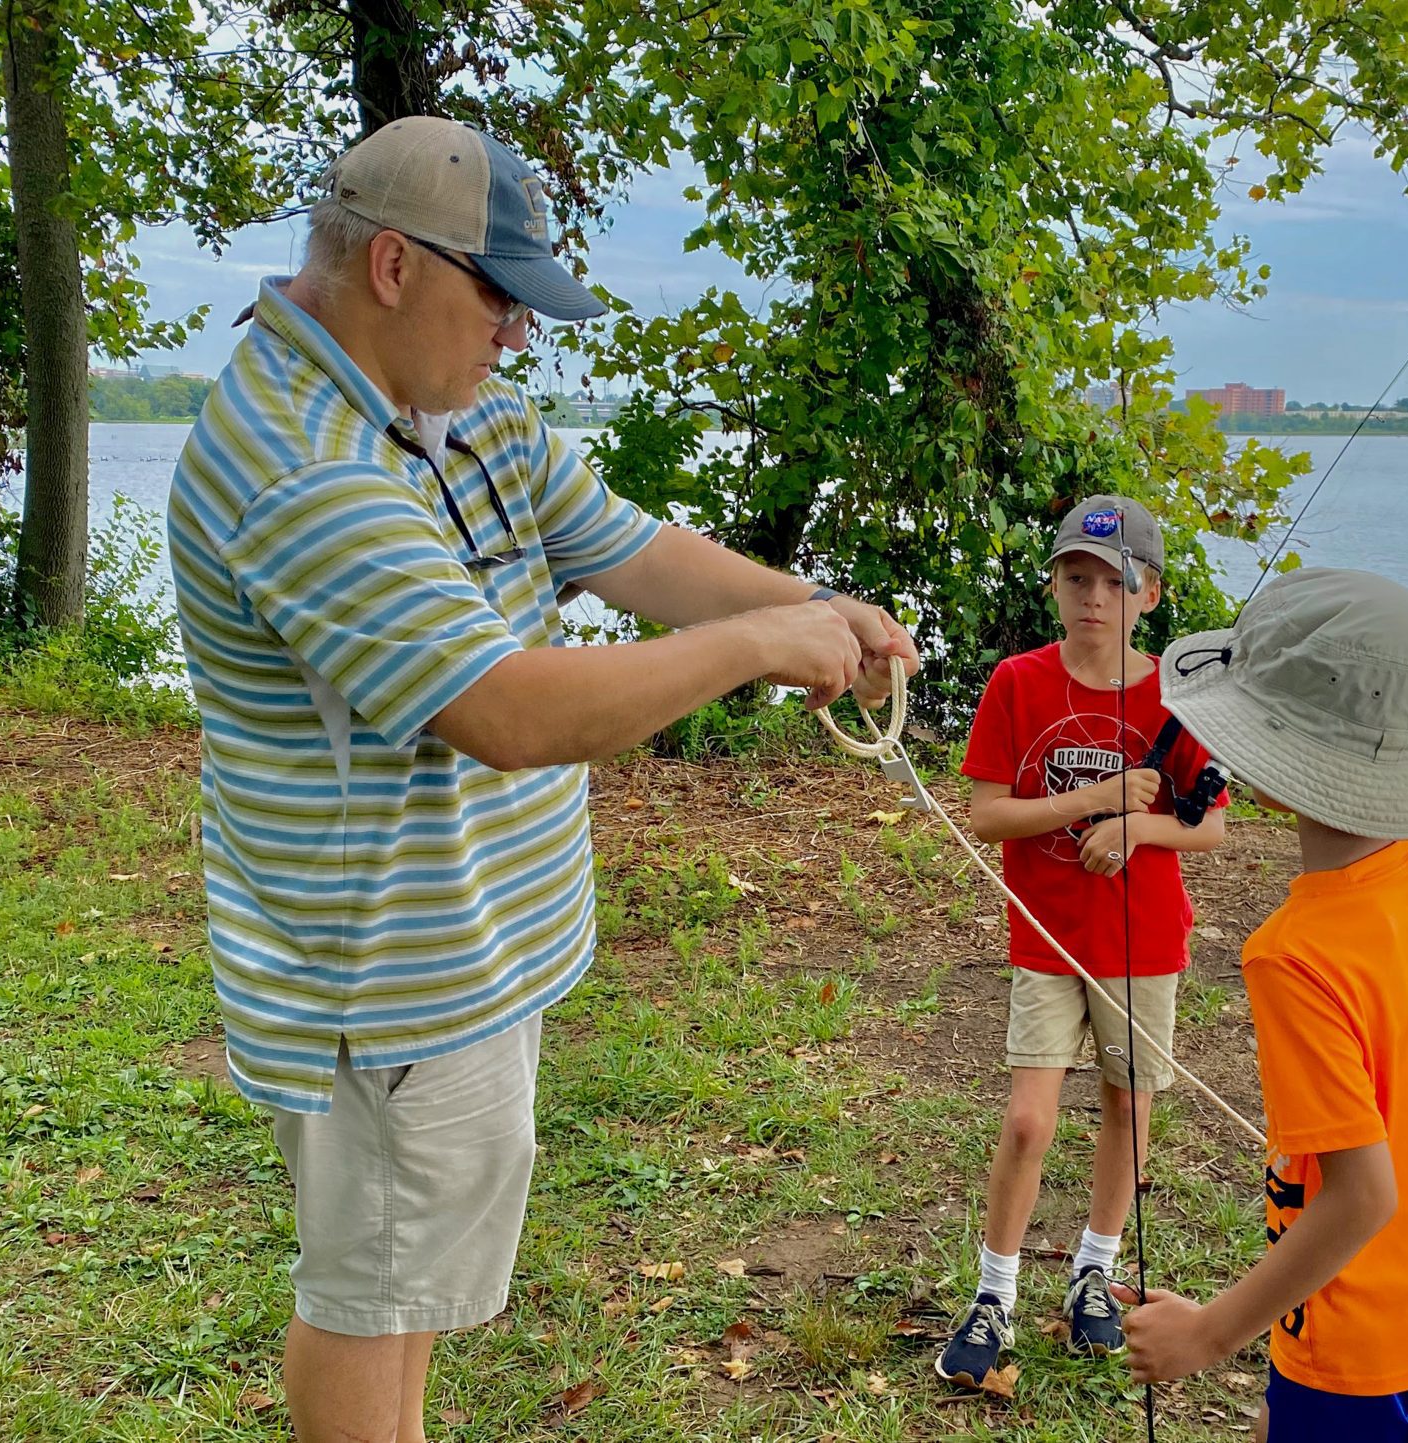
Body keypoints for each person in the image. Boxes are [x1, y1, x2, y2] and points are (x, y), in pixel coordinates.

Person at [166, 115, 917, 1443]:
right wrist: (753, 647)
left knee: (409, 1279)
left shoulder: (450, 408)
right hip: (382, 982)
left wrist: (823, 609)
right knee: (369, 1286)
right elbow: (506, 713)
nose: (518, 334)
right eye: (500, 298)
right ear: (395, 267)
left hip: (471, 959)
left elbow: (627, 549)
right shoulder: (303, 468)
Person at [1109, 568, 1408, 1443]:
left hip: (1365, 1333)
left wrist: (1206, 1332)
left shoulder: (1295, 954)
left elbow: (1362, 1198)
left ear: (1276, 769)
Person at [936, 495, 1228, 1386]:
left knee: (1126, 1110)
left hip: (1143, 946)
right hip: (1046, 939)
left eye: (1114, 581)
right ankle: (993, 1291)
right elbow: (988, 815)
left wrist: (1142, 831)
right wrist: (1093, 803)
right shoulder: (1018, 683)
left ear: (1150, 594)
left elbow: (1210, 825)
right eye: (1076, 577)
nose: (1093, 596)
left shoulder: (1175, 701)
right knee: (1029, 1120)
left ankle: (1093, 1270)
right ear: (1054, 585)